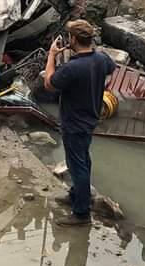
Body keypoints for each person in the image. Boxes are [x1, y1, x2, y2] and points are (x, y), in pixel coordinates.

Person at [44, 19, 116, 226]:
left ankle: (81, 213)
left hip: (74, 122)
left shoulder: (72, 68)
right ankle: (77, 194)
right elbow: (111, 70)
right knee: (83, 159)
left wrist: (51, 55)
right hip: (91, 118)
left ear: (73, 39)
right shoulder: (101, 59)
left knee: (77, 165)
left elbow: (49, 84)